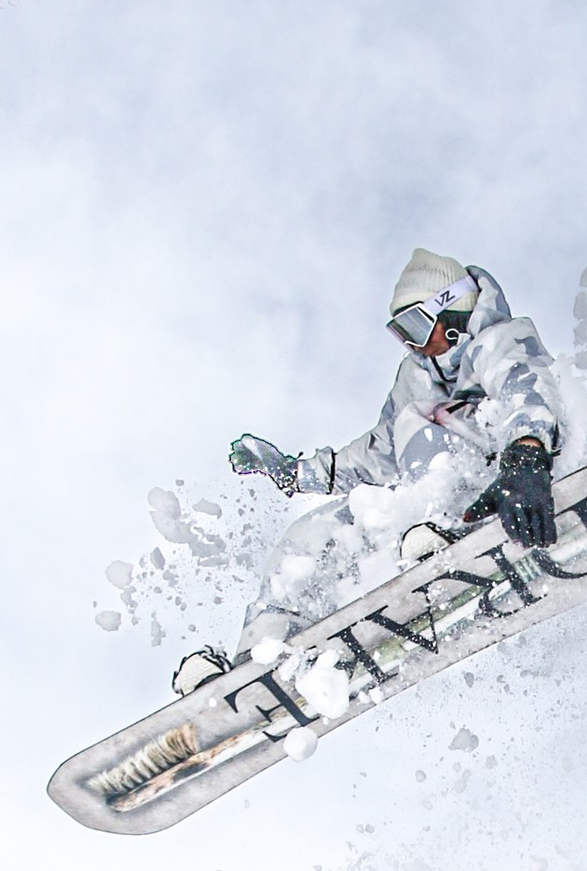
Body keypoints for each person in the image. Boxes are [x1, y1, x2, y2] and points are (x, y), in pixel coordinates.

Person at [173, 250, 566, 696]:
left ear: (452, 310)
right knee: (314, 533)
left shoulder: (502, 340)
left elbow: (526, 387)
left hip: (502, 486)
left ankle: (446, 539)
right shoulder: (415, 379)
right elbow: (378, 458)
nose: (411, 345)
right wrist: (295, 473)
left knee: (421, 419)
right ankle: (259, 658)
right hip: (419, 520)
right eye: (400, 334)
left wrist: (527, 455)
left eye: (416, 327)